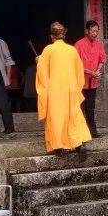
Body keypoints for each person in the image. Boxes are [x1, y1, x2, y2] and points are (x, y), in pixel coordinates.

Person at [36, 22, 93, 154]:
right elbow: (79, 73)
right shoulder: (72, 50)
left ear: (52, 36)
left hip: (55, 90)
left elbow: (43, 72)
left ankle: (59, 147)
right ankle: (79, 144)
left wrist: (39, 62)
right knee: (73, 116)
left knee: (57, 118)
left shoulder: (48, 50)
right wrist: (77, 88)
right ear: (63, 35)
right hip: (71, 88)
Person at [73, 20, 107, 139]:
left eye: (97, 31)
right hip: (81, 82)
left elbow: (102, 59)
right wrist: (90, 72)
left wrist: (97, 71)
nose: (95, 33)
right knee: (80, 108)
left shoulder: (99, 44)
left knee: (91, 108)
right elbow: (76, 64)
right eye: (93, 31)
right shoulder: (78, 44)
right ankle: (80, 133)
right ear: (87, 31)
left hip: (93, 82)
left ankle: (92, 131)